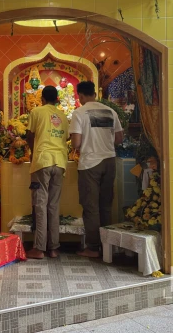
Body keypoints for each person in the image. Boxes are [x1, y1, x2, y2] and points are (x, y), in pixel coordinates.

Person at [69, 82, 123, 258]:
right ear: (94, 93)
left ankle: (93, 248)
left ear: (81, 96)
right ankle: (106, 245)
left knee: (91, 206)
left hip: (90, 163)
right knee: (105, 205)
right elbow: (119, 138)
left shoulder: (79, 113)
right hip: (109, 161)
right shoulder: (110, 111)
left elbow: (76, 143)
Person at [25, 86, 69, 259]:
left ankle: (39, 248)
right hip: (60, 162)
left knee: (40, 204)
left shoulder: (36, 112)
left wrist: (33, 151)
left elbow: (30, 135)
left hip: (42, 161)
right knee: (53, 205)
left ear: (42, 98)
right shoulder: (64, 116)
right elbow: (66, 138)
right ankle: (54, 248)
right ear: (57, 99)